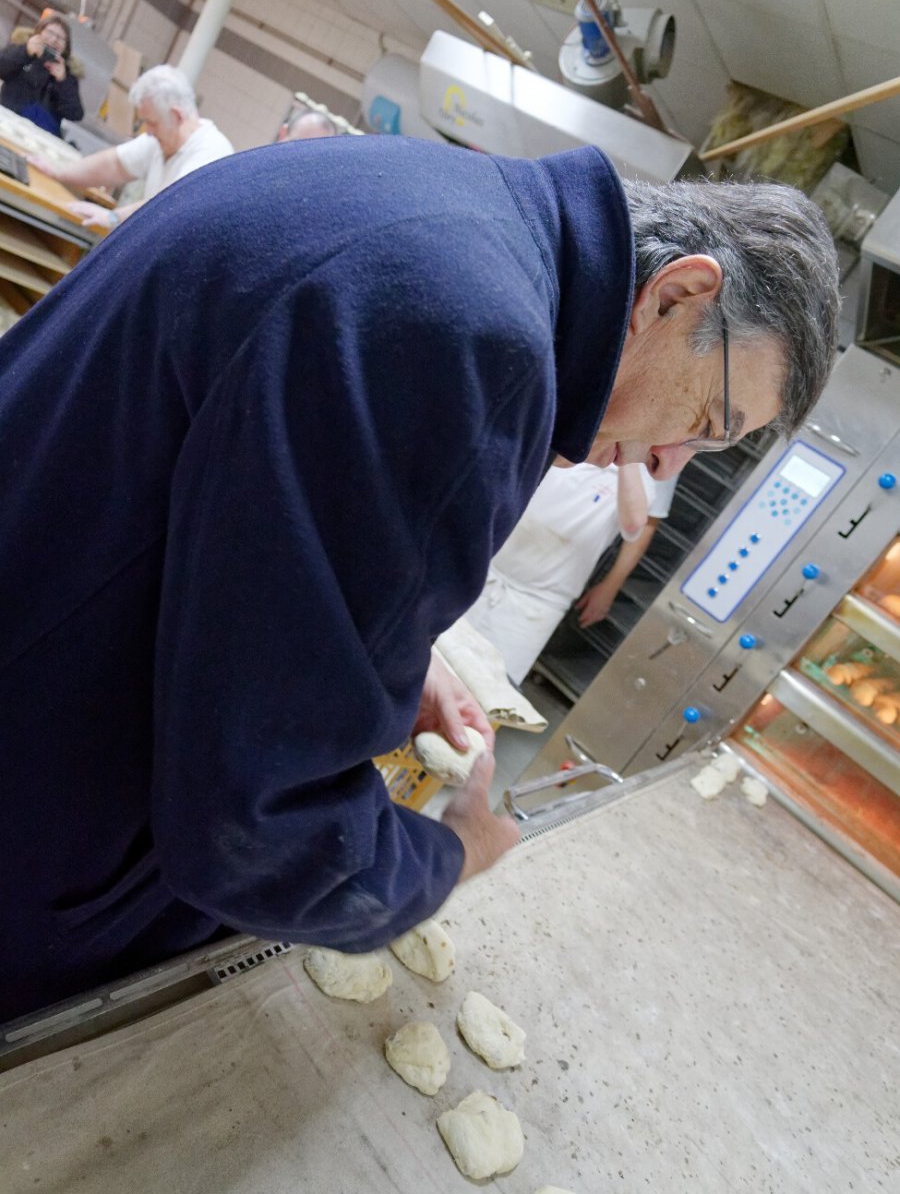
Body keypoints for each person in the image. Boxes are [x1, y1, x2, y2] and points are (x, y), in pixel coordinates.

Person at [0, 136, 839, 1022]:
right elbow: (255, 828)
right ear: (677, 294)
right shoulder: (481, 340)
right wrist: (441, 858)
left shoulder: (444, 208)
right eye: (706, 420)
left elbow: (240, 508)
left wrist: (384, 643)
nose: (668, 462)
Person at [465, 463, 677, 684]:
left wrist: (629, 457)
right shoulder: (576, 439)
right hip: (485, 567)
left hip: (537, 602)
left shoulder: (646, 470)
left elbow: (637, 525)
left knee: (492, 687)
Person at [28, 63, 232, 229]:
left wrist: (113, 218)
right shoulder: (162, 138)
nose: (148, 131)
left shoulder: (212, 152)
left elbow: (172, 204)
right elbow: (113, 164)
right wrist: (59, 173)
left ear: (177, 115)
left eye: (151, 123)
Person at [0, 13, 84, 137]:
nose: (54, 40)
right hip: (7, 125)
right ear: (39, 32)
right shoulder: (20, 51)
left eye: (60, 38)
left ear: (66, 46)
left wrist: (62, 81)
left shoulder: (67, 75)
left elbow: (75, 114)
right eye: (50, 33)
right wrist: (26, 52)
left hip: (40, 138)